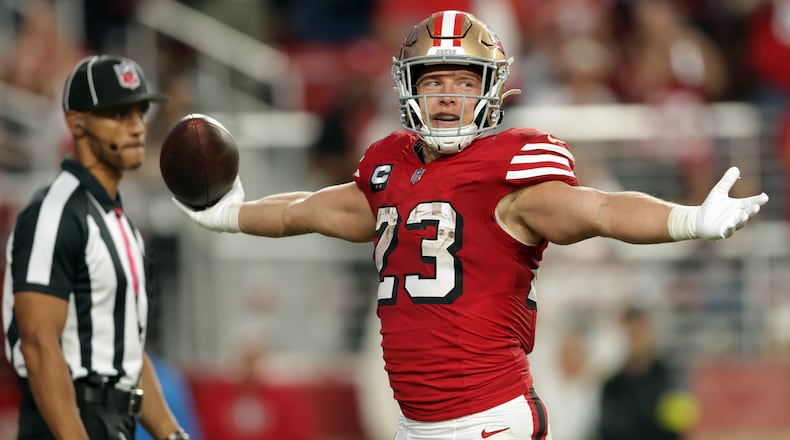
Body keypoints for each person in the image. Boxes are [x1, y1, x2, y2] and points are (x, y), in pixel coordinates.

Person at [174, 10, 768, 439]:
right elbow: (308, 210)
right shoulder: (388, 167)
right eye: (436, 82)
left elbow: (599, 210)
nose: (450, 97)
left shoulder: (510, 171)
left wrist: (688, 219)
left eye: (465, 82)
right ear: (410, 90)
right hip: (414, 422)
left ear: (490, 91)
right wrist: (230, 214)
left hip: (489, 420)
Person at [2, 54, 190, 440]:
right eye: (119, 114)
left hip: (115, 421)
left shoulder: (123, 226)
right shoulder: (53, 213)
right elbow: (38, 345)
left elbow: (128, 357)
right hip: (66, 420)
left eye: (140, 112)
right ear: (77, 123)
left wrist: (173, 435)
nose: (137, 127)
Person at [598, 305, 692, 440]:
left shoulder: (668, 377)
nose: (635, 340)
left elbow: (682, 429)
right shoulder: (612, 386)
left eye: (639, 332)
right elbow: (606, 431)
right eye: (630, 333)